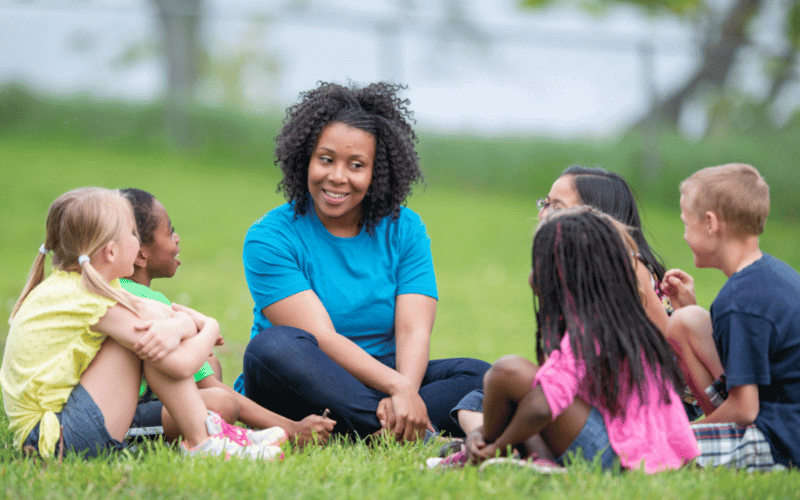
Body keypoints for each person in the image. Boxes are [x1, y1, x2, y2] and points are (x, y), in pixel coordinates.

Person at [235, 82, 490, 441]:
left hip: (384, 379)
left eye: (356, 165)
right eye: (326, 159)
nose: (337, 177)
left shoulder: (405, 228)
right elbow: (320, 336)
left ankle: (379, 427)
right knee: (272, 348)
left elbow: (413, 329)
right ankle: (414, 432)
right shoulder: (270, 237)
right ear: (305, 158)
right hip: (297, 386)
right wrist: (397, 389)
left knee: (481, 376)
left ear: (377, 171)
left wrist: (406, 391)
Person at [0, 187, 283, 460]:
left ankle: (209, 437)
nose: (137, 244)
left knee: (153, 334)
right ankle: (203, 442)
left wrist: (178, 325)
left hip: (51, 433)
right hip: (57, 440)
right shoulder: (91, 297)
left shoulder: (77, 287)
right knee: (150, 342)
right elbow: (181, 364)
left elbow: (159, 314)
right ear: (111, 252)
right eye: (133, 234)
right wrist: (209, 327)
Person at [446, 166, 682, 451]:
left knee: (508, 379)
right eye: (545, 203)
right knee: (480, 399)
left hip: (625, 430)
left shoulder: (626, 277)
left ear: (593, 220)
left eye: (557, 207)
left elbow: (664, 355)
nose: (544, 213)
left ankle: (492, 449)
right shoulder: (583, 286)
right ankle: (496, 448)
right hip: (599, 412)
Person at [119, 187, 334, 446]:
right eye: (169, 231)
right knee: (222, 403)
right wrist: (291, 428)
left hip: (141, 401)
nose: (177, 238)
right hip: (122, 418)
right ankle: (226, 438)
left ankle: (210, 431)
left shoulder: (118, 290)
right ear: (140, 254)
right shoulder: (147, 304)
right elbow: (213, 387)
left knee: (210, 362)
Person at [662, 163, 800, 471]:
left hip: (782, 440)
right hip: (784, 420)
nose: (684, 235)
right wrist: (688, 305)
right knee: (685, 322)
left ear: (710, 223)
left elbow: (745, 409)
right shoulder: (771, 275)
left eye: (687, 224)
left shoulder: (740, 300)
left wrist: (686, 432)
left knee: (661, 447)